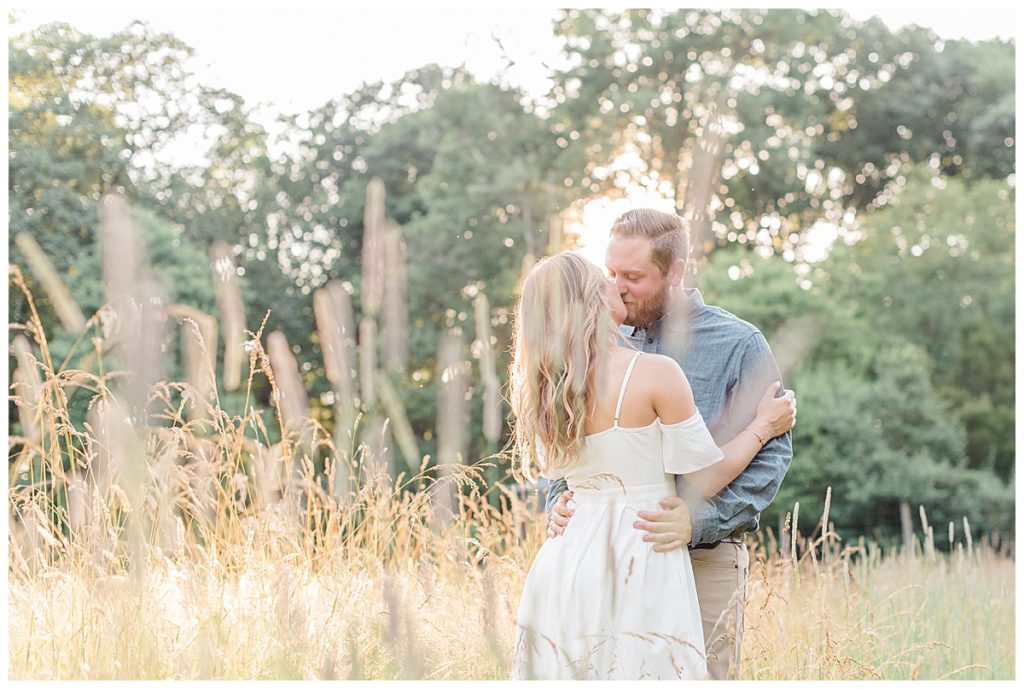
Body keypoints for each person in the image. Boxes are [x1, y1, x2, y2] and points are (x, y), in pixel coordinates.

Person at [509, 252, 795, 680]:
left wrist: (564, 505)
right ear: (591, 299)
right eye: (604, 277)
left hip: (566, 560)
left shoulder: (548, 386)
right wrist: (761, 427)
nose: (615, 283)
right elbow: (702, 479)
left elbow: (563, 475)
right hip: (640, 550)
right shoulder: (656, 373)